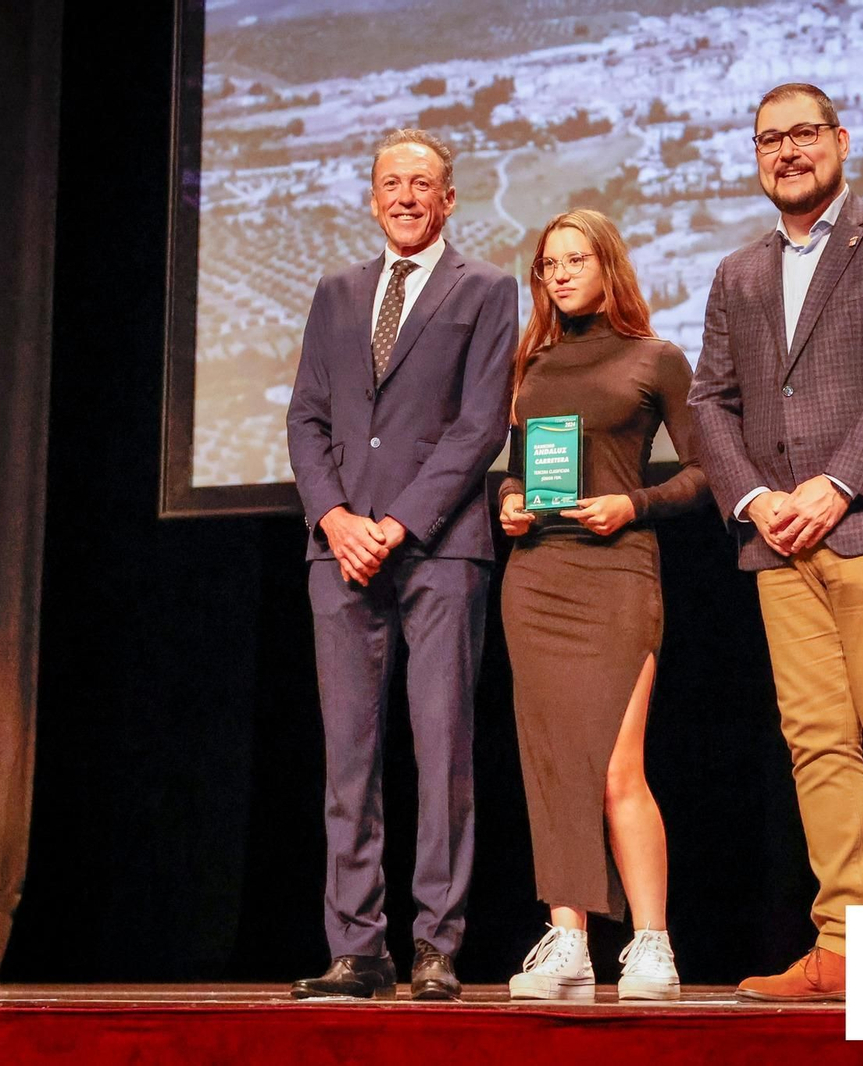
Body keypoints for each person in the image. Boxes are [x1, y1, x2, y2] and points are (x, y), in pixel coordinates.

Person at [688, 83, 863, 1002]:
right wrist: (757, 498)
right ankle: (844, 944)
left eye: (804, 134)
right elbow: (708, 403)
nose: (788, 151)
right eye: (770, 139)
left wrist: (836, 484)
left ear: (841, 141)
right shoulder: (738, 273)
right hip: (779, 542)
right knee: (815, 743)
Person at [285, 128, 517, 1001]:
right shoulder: (337, 291)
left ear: (449, 198)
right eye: (392, 183)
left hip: (440, 550)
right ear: (372, 196)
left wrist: (399, 522)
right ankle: (357, 949)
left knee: (443, 748)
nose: (406, 197)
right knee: (349, 756)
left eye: (423, 183)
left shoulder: (486, 289)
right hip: (337, 553)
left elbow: (481, 425)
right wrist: (336, 516)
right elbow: (307, 418)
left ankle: (436, 946)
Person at [497, 209, 709, 1001]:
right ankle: (569, 940)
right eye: (548, 263)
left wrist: (634, 506)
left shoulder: (655, 359)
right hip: (538, 575)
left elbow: (706, 472)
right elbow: (517, 471)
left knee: (619, 767)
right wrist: (512, 501)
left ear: (607, 265)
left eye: (574, 258)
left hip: (618, 571)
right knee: (553, 768)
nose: (559, 273)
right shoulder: (535, 365)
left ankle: (652, 943)